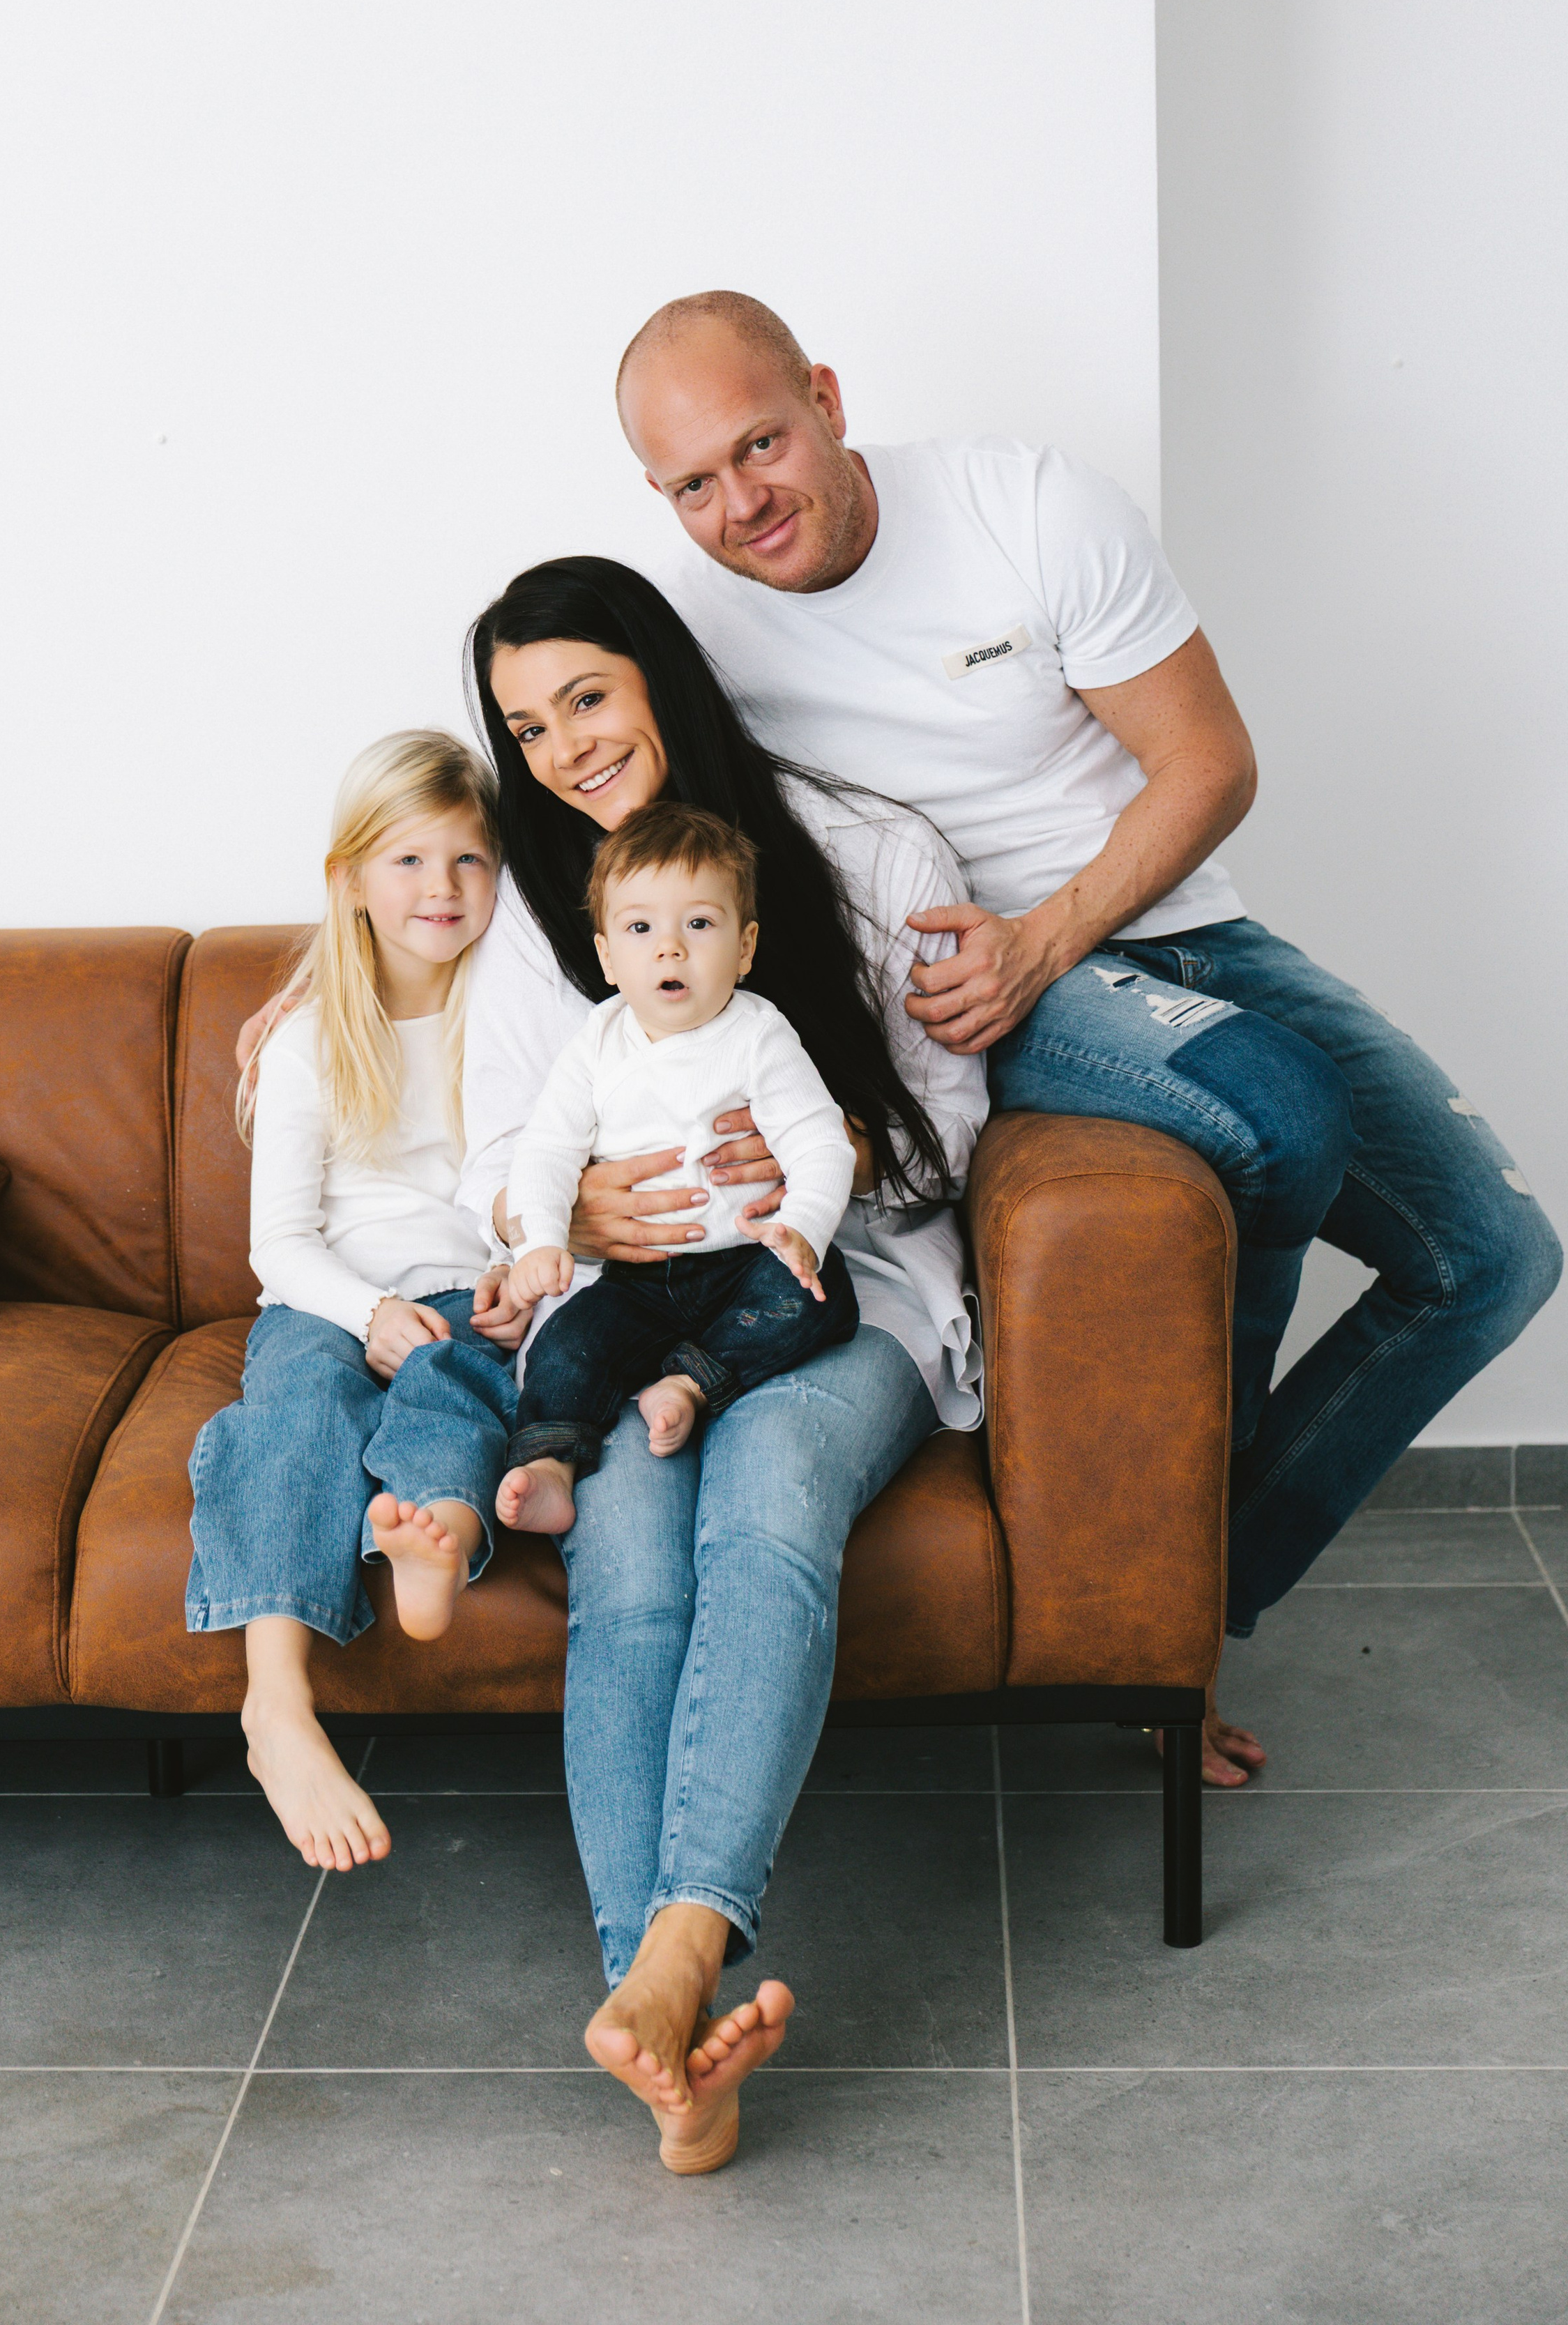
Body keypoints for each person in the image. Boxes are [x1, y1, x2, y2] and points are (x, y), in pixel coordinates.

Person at [613, 288, 1565, 1785]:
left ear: (826, 395)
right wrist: (360, 938)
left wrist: (1043, 937)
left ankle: (1188, 1590)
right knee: (1279, 1113)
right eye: (692, 484)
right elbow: (555, 769)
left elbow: (1207, 761)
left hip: (1146, 932)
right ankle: (1159, 1644)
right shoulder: (692, 629)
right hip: (958, 985)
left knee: (1493, 1263)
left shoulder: (1023, 505)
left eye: (761, 443)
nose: (742, 503)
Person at [456, 554, 987, 2172]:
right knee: (626, 1537)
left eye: (585, 697)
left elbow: (950, 1130)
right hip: (632, 1311)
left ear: (662, 673)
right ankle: (667, 2031)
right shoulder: (549, 920)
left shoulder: (868, 848)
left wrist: (807, 1176)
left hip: (837, 1288)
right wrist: (575, 1214)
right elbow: (497, 1157)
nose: (559, 746)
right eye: (523, 725)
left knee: (756, 1483)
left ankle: (673, 1956)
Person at [190, 730, 527, 1875]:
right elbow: (278, 1240)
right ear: (349, 881)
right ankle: (275, 1705)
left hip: (463, 1285)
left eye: (470, 861)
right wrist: (363, 1313)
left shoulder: (520, 1001)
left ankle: (436, 1532)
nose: (442, 889)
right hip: (322, 1295)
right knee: (297, 1416)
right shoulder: (310, 1035)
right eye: (408, 861)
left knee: (464, 1377)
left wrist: (516, 1276)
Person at [495, 798, 859, 1535]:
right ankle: (550, 1463)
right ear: (606, 957)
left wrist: (801, 1227)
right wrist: (538, 1241)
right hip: (637, 1278)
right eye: (641, 929)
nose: (670, 949)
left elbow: (821, 1140)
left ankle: (689, 1384)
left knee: (815, 1298)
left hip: (744, 1262)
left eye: (698, 924)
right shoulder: (598, 1043)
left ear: (745, 945)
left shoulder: (759, 1035)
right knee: (567, 1346)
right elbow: (546, 1150)